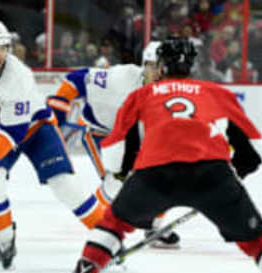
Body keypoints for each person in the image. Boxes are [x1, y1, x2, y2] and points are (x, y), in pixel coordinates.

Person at [47, 38, 262, 273]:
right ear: (192, 68)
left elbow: (116, 155)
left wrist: (126, 174)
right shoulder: (216, 92)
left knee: (113, 225)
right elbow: (256, 151)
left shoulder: (141, 95)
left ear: (161, 67)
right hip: (212, 173)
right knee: (258, 239)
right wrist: (235, 172)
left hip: (154, 174)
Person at [0, 21, 107, 269]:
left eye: (3, 47)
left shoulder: (18, 76)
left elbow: (12, 133)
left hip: (36, 130)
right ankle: (5, 243)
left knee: (65, 185)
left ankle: (107, 239)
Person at [47, 41, 180, 249]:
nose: (159, 72)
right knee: (116, 183)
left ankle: (153, 227)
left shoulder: (174, 92)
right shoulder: (120, 79)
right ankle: (102, 231)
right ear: (144, 65)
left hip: (133, 138)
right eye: (154, 65)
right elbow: (75, 80)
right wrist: (59, 108)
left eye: (164, 66)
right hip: (102, 133)